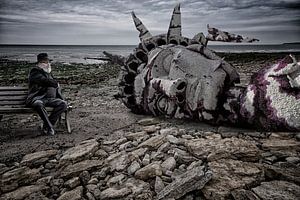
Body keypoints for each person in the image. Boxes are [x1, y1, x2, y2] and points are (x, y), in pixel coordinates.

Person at [26, 53, 67, 135]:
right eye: (45, 62)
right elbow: (44, 81)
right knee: (39, 104)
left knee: (63, 104)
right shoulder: (35, 71)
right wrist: (55, 83)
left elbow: (54, 86)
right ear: (39, 63)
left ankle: (47, 125)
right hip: (37, 98)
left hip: (50, 99)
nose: (47, 64)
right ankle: (50, 128)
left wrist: (61, 98)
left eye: (48, 61)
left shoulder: (48, 72)